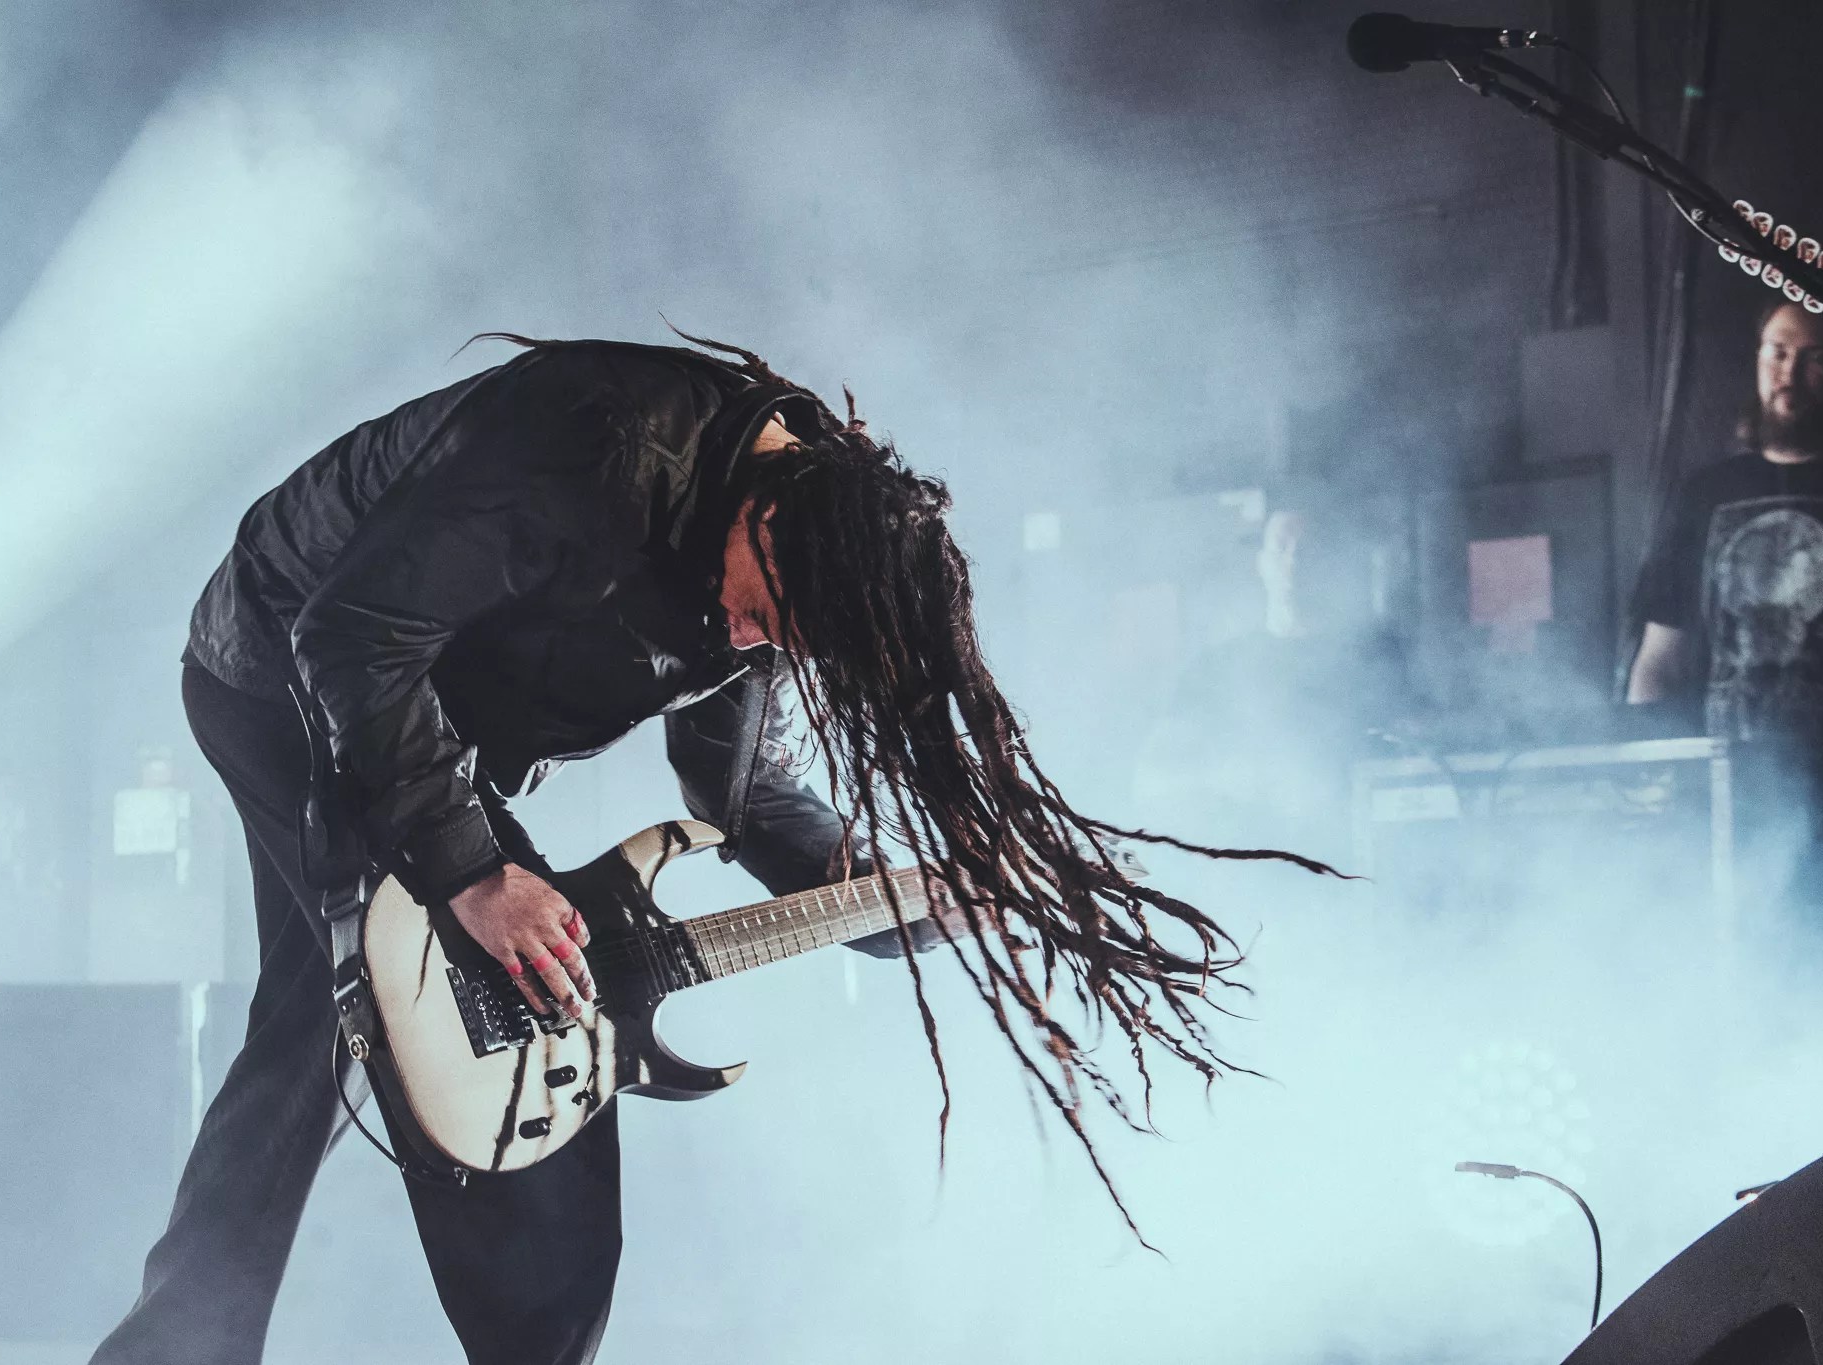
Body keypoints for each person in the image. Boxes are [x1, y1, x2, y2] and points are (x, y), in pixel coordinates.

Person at [92, 333, 1314, 1365]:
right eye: (758, 610)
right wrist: (470, 873)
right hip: (283, 670)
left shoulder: (783, 572)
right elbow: (352, 637)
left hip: (420, 727)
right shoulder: (599, 444)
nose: (744, 637)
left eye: (773, 640)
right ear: (765, 519)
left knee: (342, 1029)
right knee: (465, 1017)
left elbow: (743, 792)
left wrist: (894, 902)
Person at [1627, 300, 1823, 919]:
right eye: (1778, 351)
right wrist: (1653, 773)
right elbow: (1661, 656)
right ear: (1758, 359)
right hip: (1728, 800)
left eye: (1813, 357)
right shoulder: (1704, 496)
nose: (1789, 372)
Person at [1136, 499, 1411, 864]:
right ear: (1261, 563)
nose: (1293, 563)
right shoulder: (1214, 668)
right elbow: (1156, 777)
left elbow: (1421, 753)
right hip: (1250, 868)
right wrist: (1236, 777)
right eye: (1281, 549)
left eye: (1307, 551)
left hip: (1359, 863)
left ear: (1330, 563)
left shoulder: (1377, 660)